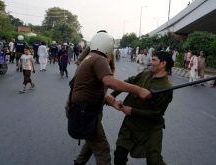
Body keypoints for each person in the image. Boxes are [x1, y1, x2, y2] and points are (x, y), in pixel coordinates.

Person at [71, 31, 151, 165]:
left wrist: (111, 101)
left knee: (92, 138)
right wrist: (139, 90)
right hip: (85, 111)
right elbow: (109, 82)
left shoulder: (90, 57)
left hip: (83, 108)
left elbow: (94, 88)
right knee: (103, 150)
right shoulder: (99, 59)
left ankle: (79, 162)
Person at [108, 51, 173, 165]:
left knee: (154, 161)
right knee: (119, 155)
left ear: (163, 64)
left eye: (154, 60)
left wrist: (132, 111)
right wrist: (113, 95)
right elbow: (128, 82)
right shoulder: (145, 73)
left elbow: (156, 114)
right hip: (131, 123)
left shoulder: (167, 87)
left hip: (150, 127)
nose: (150, 62)